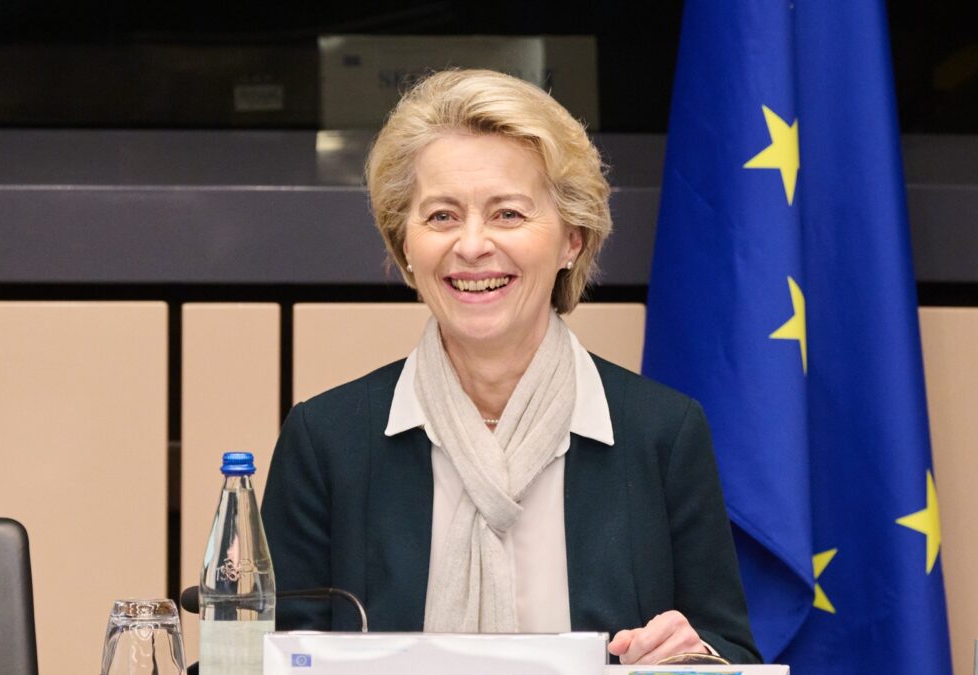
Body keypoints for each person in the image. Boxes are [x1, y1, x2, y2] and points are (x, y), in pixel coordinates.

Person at [260, 69, 760, 665]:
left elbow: (729, 651)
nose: (472, 246)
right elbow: (264, 655)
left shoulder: (663, 433)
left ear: (572, 239)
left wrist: (695, 656)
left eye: (508, 215)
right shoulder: (327, 440)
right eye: (442, 216)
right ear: (406, 245)